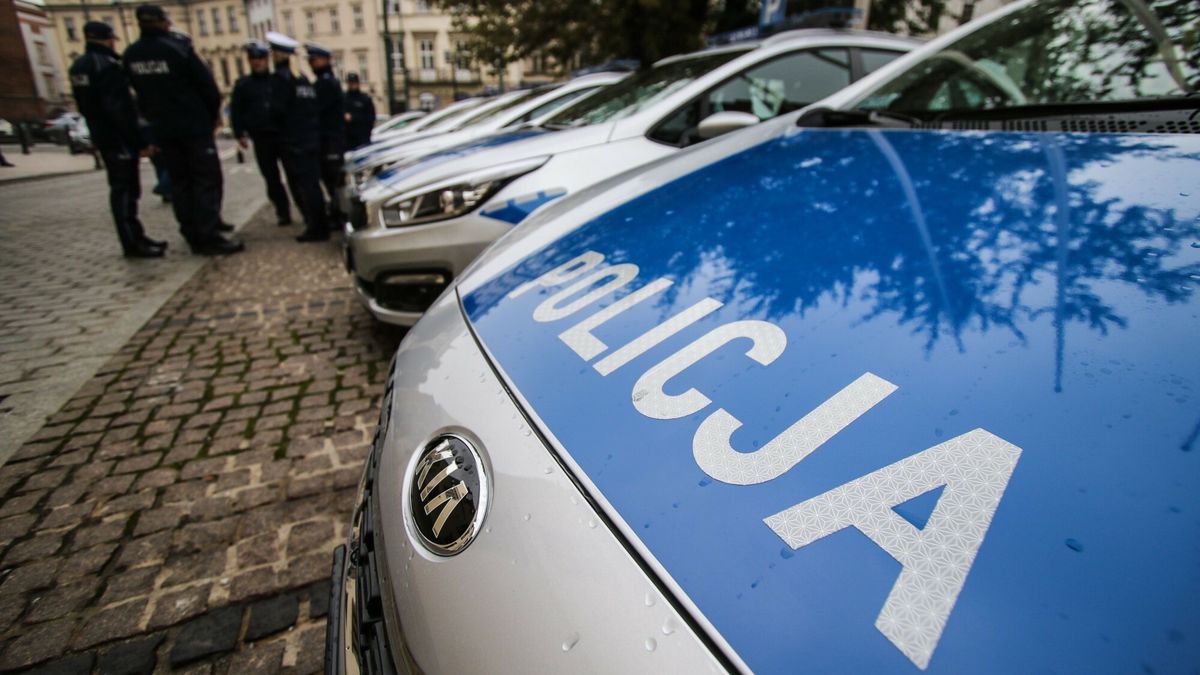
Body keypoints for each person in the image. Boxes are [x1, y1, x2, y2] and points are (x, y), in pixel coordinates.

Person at [123, 4, 243, 255]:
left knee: (180, 183)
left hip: (164, 129)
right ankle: (208, 235)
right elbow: (207, 86)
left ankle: (191, 233)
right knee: (204, 180)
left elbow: (137, 97)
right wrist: (212, 117)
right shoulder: (178, 48)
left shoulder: (132, 55)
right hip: (192, 126)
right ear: (164, 22)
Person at [68, 20, 166, 258]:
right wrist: (139, 141)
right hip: (118, 137)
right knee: (125, 190)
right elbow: (119, 109)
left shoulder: (78, 67)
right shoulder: (107, 66)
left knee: (122, 188)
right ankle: (133, 242)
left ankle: (135, 236)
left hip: (103, 134)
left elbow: (85, 105)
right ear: (108, 39)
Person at [266, 31, 328, 242]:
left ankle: (316, 227)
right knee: (312, 186)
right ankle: (319, 224)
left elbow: (277, 111)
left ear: (277, 55)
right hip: (310, 138)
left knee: (305, 187)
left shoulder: (281, 79)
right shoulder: (302, 79)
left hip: (295, 141)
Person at [231, 40, 296, 225]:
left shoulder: (278, 80)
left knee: (293, 174)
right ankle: (282, 210)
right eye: (253, 59)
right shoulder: (244, 85)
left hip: (282, 134)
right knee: (271, 178)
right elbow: (237, 110)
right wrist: (239, 133)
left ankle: (303, 208)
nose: (257, 62)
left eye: (260, 58)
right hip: (261, 136)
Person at [306, 43, 347, 226]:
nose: (311, 64)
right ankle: (336, 212)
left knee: (333, 179)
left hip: (331, 139)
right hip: (327, 138)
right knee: (330, 178)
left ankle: (339, 215)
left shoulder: (326, 84)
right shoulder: (323, 83)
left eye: (314, 60)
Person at [343, 73, 375, 151]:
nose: (352, 85)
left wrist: (353, 118)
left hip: (362, 138)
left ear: (358, 83)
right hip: (347, 139)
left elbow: (370, 117)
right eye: (350, 83)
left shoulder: (365, 99)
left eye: (354, 83)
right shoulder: (343, 98)